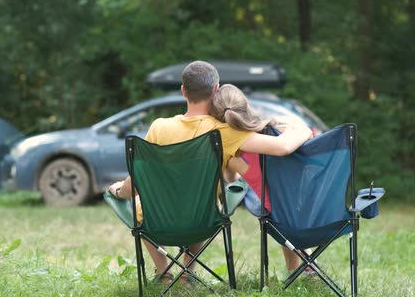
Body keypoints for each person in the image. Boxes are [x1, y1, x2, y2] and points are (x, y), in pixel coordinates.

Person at [109, 61, 311, 284]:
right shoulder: (224, 132)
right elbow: (282, 147)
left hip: (157, 222)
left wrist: (117, 191)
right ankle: (187, 273)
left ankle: (163, 271)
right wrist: (303, 129)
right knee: (201, 200)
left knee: (141, 206)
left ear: (183, 90)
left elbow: (134, 185)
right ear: (216, 89)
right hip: (203, 220)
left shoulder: (159, 127)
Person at [210, 83, 313, 273]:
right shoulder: (275, 130)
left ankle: (296, 270)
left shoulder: (233, 155)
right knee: (276, 191)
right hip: (304, 205)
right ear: (246, 106)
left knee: (257, 194)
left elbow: (231, 181)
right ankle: (304, 263)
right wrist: (305, 131)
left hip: (275, 213)